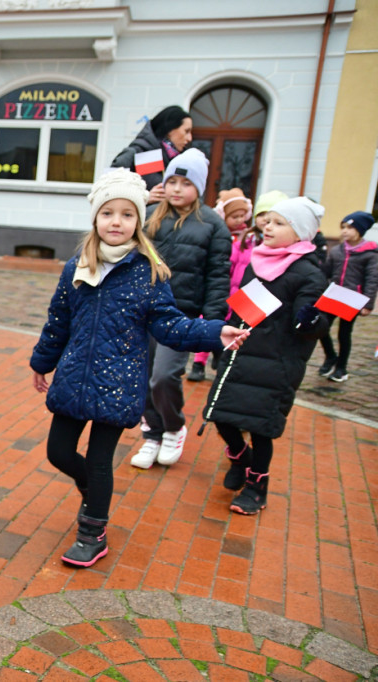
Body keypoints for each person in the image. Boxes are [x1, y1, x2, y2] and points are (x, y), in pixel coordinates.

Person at [30, 168, 247, 567]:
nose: (117, 222)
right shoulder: (77, 266)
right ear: (95, 218)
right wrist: (42, 362)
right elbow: (58, 319)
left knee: (100, 460)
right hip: (75, 378)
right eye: (108, 213)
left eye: (127, 214)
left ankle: (92, 532)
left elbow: (170, 324)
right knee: (58, 452)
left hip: (118, 383)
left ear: (139, 221)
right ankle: (90, 488)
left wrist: (215, 333)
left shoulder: (148, 271)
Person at [202, 197, 330, 514]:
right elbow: (244, 308)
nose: (268, 227)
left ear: (300, 233)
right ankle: (239, 459)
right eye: (267, 221)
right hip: (241, 354)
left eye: (278, 223)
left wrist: (311, 321)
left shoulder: (308, 273)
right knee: (221, 417)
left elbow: (313, 323)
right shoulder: (258, 261)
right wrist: (226, 335)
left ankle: (257, 487)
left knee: (260, 428)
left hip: (277, 364)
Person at [131, 148, 231, 469]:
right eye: (171, 181)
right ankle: (152, 433)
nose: (176, 189)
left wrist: (213, 328)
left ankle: (173, 427)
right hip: (143, 311)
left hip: (181, 315)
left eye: (185, 183)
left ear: (199, 188)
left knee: (163, 376)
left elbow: (218, 277)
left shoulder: (213, 225)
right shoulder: (149, 215)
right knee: (141, 375)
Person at [188, 188, 259, 382]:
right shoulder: (220, 236)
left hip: (238, 292)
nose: (238, 220)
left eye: (241, 216)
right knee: (208, 324)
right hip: (220, 290)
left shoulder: (248, 238)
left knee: (229, 327)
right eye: (233, 216)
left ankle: (221, 358)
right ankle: (198, 363)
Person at [317, 211, 377, 382]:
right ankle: (330, 356)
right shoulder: (337, 251)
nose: (344, 231)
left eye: (350, 227)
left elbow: (372, 279)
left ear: (360, 230)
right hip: (334, 296)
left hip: (352, 299)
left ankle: (341, 368)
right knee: (321, 327)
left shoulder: (370, 254)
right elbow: (326, 272)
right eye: (343, 227)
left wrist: (368, 303)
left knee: (344, 334)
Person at [111, 105, 193, 204]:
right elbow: (108, 192)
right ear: (170, 130)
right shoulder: (138, 153)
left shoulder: (181, 159)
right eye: (186, 131)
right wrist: (143, 198)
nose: (189, 138)